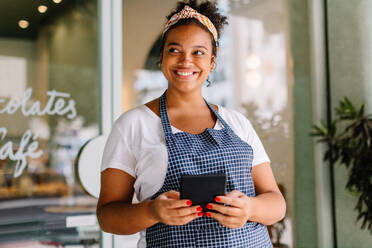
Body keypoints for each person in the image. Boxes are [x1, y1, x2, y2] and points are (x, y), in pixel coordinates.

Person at [96, 0, 286, 247]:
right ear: (162, 56)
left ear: (212, 62)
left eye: (198, 52)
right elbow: (107, 217)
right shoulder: (133, 125)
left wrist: (249, 208)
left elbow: (276, 204)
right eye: (175, 50)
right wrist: (152, 211)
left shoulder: (237, 123)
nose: (186, 61)